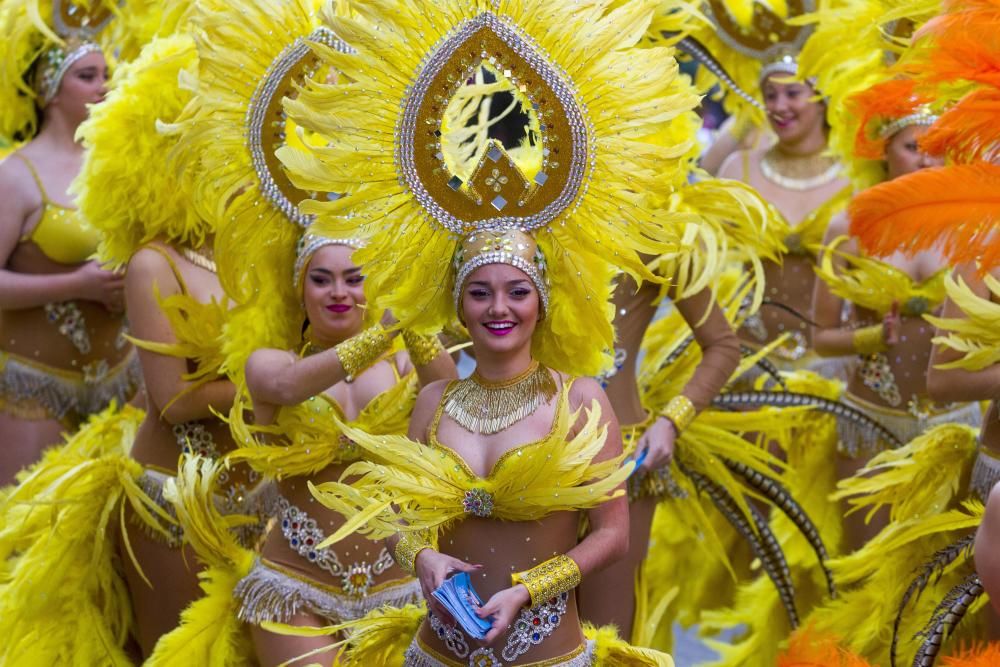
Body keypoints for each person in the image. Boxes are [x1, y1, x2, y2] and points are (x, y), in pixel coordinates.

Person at [0, 0, 139, 484]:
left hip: (123, 385)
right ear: (48, 90)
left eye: (107, 73)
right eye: (88, 75)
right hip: (35, 393)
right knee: (27, 540)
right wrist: (76, 284)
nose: (105, 86)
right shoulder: (16, 176)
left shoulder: (121, 166)